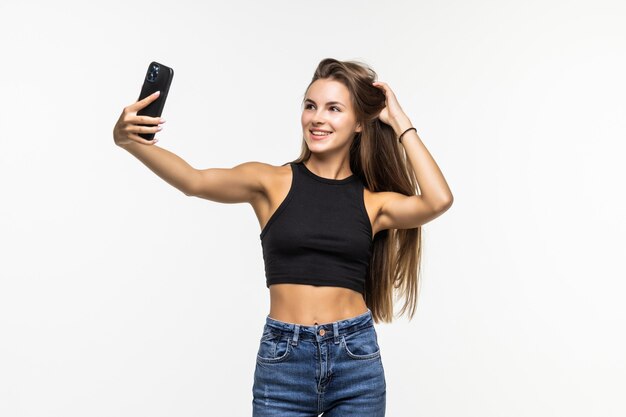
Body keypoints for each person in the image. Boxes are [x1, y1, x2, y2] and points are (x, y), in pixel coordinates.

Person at [113, 57, 453, 417]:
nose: (317, 118)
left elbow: (438, 199)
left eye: (334, 109)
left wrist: (401, 123)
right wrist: (130, 142)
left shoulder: (373, 203)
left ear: (359, 124)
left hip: (355, 357)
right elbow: (193, 181)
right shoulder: (270, 183)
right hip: (284, 359)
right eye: (310, 106)